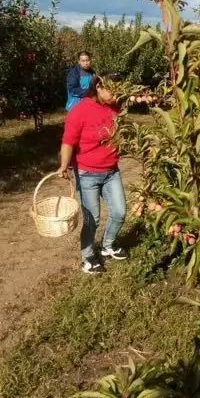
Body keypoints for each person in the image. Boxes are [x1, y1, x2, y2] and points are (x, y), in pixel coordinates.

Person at [58, 76, 127, 274]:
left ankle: (108, 245)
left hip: (111, 171)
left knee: (120, 212)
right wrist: (64, 166)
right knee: (92, 219)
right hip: (87, 172)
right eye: (112, 90)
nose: (116, 95)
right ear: (98, 87)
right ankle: (88, 257)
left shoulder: (115, 106)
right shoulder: (80, 110)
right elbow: (68, 141)